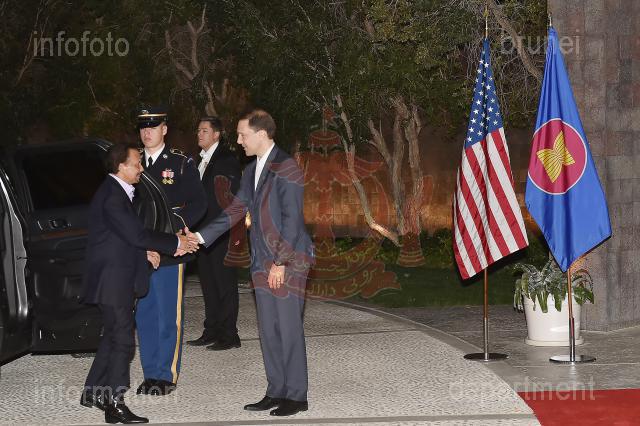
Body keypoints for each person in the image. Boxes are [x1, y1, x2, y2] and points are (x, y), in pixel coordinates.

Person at [187, 109, 314, 417]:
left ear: (262, 134)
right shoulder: (250, 170)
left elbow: (292, 220)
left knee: (288, 329)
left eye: (243, 134)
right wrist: (201, 237)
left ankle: (297, 396)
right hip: (261, 261)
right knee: (268, 330)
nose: (239, 140)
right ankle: (276, 390)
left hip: (288, 261)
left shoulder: (287, 167)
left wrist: (280, 262)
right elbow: (235, 210)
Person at [80, 143, 197, 424]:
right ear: (121, 166)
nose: (141, 169)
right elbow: (136, 234)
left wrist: (144, 252)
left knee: (113, 335)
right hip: (113, 281)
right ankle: (115, 404)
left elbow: (120, 236)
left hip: (113, 276)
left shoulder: (116, 192)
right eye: (136, 164)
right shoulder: (113, 196)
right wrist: (176, 242)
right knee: (123, 342)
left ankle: (93, 391)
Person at [134, 106, 207, 396]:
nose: (147, 132)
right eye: (143, 127)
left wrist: (175, 226)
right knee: (144, 315)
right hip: (140, 249)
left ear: (164, 129)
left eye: (153, 126)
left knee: (167, 315)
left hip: (170, 248)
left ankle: (165, 376)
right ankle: (149, 373)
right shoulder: (132, 163)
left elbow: (199, 203)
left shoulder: (179, 163)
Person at [186, 116, 242, 350]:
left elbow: (229, 201)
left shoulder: (226, 160)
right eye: (198, 130)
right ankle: (211, 330)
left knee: (224, 285)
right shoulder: (198, 160)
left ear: (217, 134)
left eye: (204, 130)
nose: (199, 134)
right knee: (208, 285)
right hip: (201, 234)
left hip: (221, 234)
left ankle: (229, 336)